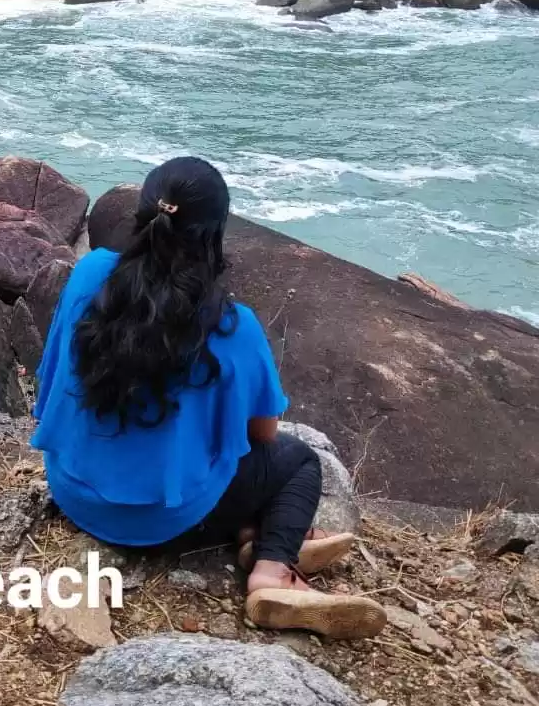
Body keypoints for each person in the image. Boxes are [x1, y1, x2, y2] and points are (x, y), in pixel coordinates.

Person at [32, 157, 386, 640]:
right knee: (300, 461)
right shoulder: (233, 327)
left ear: (141, 214)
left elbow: (49, 372)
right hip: (166, 523)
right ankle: (271, 570)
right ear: (215, 232)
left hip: (74, 492)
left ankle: (249, 537)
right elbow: (260, 437)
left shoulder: (91, 273)